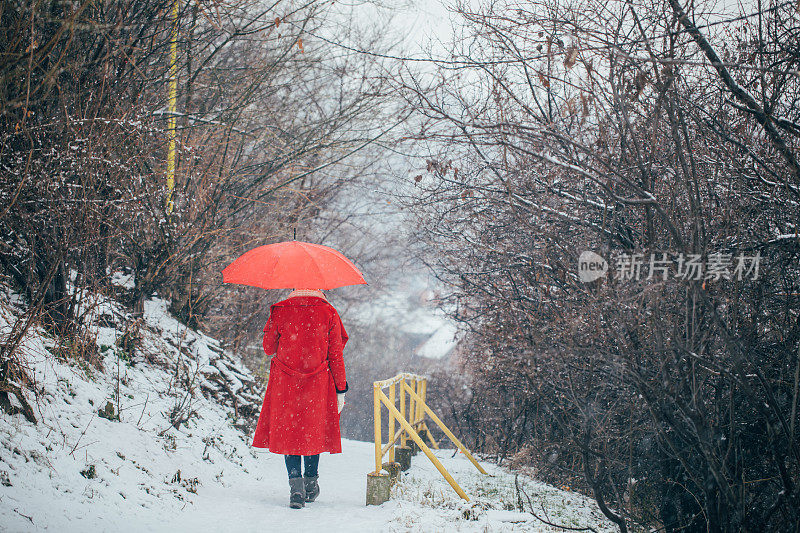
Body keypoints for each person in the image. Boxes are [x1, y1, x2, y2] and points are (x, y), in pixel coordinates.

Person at [251, 288, 349, 509]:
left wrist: (272, 324)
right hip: (318, 384)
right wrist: (341, 388)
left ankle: (296, 487)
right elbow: (335, 355)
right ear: (320, 288)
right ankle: (311, 483)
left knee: (290, 432)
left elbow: (268, 349)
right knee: (311, 432)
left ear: (293, 287)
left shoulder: (280, 311)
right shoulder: (329, 312)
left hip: (285, 383)